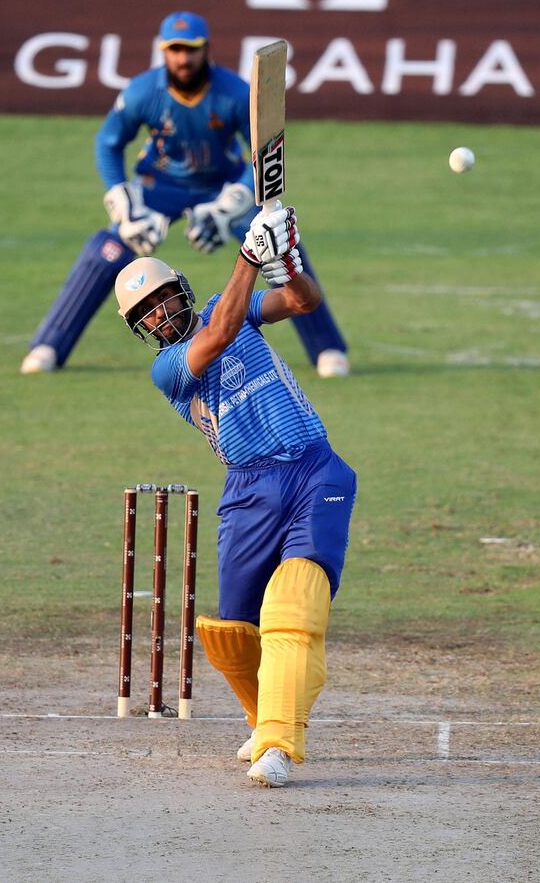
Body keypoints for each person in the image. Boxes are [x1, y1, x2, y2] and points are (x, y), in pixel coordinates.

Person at [113, 203, 357, 788]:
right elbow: (219, 335)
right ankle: (263, 716)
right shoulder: (168, 370)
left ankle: (278, 742)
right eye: (146, 313)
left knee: (293, 609)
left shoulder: (233, 306)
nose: (161, 314)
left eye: (164, 298)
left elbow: (304, 304)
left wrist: (286, 264)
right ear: (141, 330)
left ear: (181, 289)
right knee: (231, 633)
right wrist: (250, 255)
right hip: (248, 489)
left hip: (313, 468)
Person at [20, 11, 349, 378]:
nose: (182, 59)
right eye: (174, 50)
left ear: (205, 49)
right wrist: (122, 204)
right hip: (159, 187)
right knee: (107, 250)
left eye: (190, 49)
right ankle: (49, 345)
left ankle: (328, 348)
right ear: (163, 51)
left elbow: (261, 150)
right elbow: (108, 144)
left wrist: (232, 203)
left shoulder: (235, 93)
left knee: (277, 239)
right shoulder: (143, 92)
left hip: (221, 188)